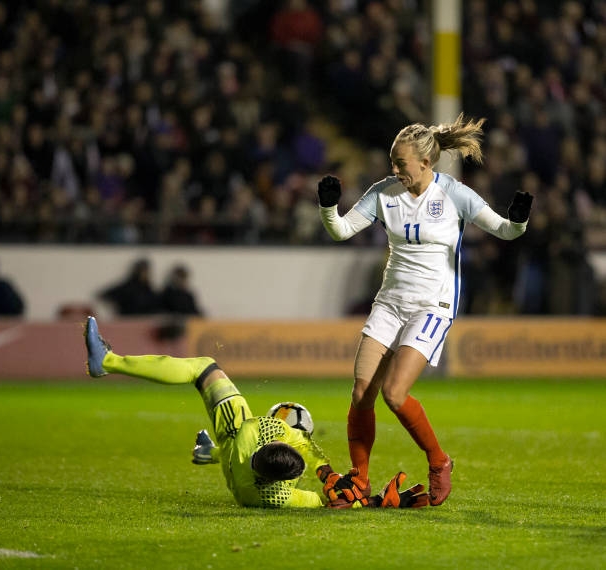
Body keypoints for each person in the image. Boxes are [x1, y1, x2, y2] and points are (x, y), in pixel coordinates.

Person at [317, 114, 533, 506]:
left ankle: (438, 461)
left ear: (425, 163)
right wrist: (329, 207)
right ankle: (360, 483)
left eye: (400, 163)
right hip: (390, 302)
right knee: (362, 391)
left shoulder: (454, 194)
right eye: (392, 162)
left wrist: (519, 220)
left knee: (395, 394)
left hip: (433, 305)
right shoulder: (384, 193)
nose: (394, 169)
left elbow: (504, 230)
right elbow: (342, 230)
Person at [83, 316, 429, 510]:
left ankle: (109, 362)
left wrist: (327, 474)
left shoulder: (258, 430)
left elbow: (298, 442)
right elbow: (325, 503)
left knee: (203, 367)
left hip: (234, 431)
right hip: (237, 481)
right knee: (225, 444)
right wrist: (366, 499)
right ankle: (211, 452)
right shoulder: (275, 497)